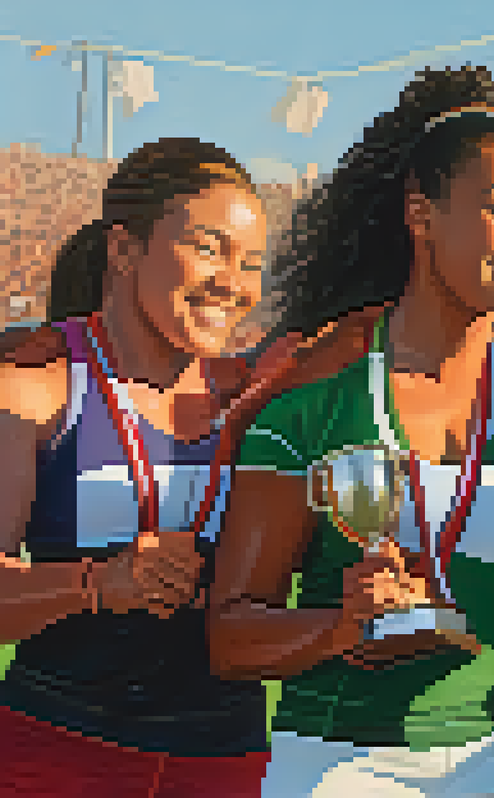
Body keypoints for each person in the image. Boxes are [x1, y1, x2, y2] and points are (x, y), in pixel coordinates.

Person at [207, 66, 494, 797]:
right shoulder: (311, 395)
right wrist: (341, 626)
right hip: (342, 765)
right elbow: (231, 638)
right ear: (421, 216)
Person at [0, 138, 272, 797]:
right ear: (123, 250)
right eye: (208, 248)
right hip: (62, 747)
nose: (233, 283)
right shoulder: (35, 387)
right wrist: (96, 583)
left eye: (252, 263)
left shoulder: (256, 397)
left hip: (225, 756)